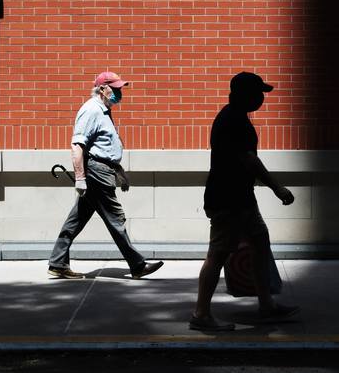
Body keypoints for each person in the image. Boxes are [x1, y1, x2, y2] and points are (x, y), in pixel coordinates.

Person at [189, 72, 299, 331]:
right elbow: (249, 159)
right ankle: (201, 314)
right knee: (217, 254)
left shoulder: (234, 117)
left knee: (260, 243)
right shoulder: (234, 121)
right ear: (245, 94)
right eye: (258, 93)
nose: (262, 98)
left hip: (241, 198)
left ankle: (266, 305)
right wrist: (277, 188)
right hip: (229, 200)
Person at [47, 71, 164, 280]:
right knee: (115, 218)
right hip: (96, 174)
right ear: (102, 89)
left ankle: (57, 263)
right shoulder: (91, 110)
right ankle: (137, 265)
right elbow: (77, 145)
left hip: (103, 171)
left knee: (76, 219)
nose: (120, 93)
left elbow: (105, 148)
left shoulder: (103, 111)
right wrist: (81, 178)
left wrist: (120, 173)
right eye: (116, 88)